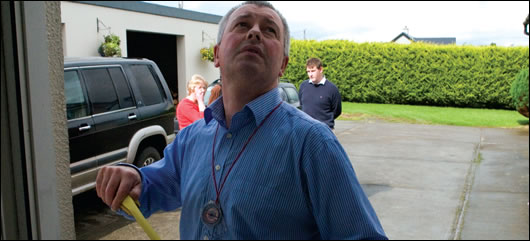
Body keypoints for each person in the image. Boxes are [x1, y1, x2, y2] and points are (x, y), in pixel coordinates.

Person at [96, 1, 387, 240]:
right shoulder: (192, 137)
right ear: (217, 54)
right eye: (242, 25)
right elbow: (153, 186)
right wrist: (131, 178)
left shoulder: (313, 144)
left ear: (283, 64)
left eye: (269, 30)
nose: (255, 33)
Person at [298, 57, 342, 130]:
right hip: (306, 130)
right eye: (308, 71)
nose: (310, 74)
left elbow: (337, 111)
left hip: (326, 131)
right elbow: (302, 105)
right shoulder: (303, 86)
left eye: (313, 71)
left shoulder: (332, 89)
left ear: (321, 69)